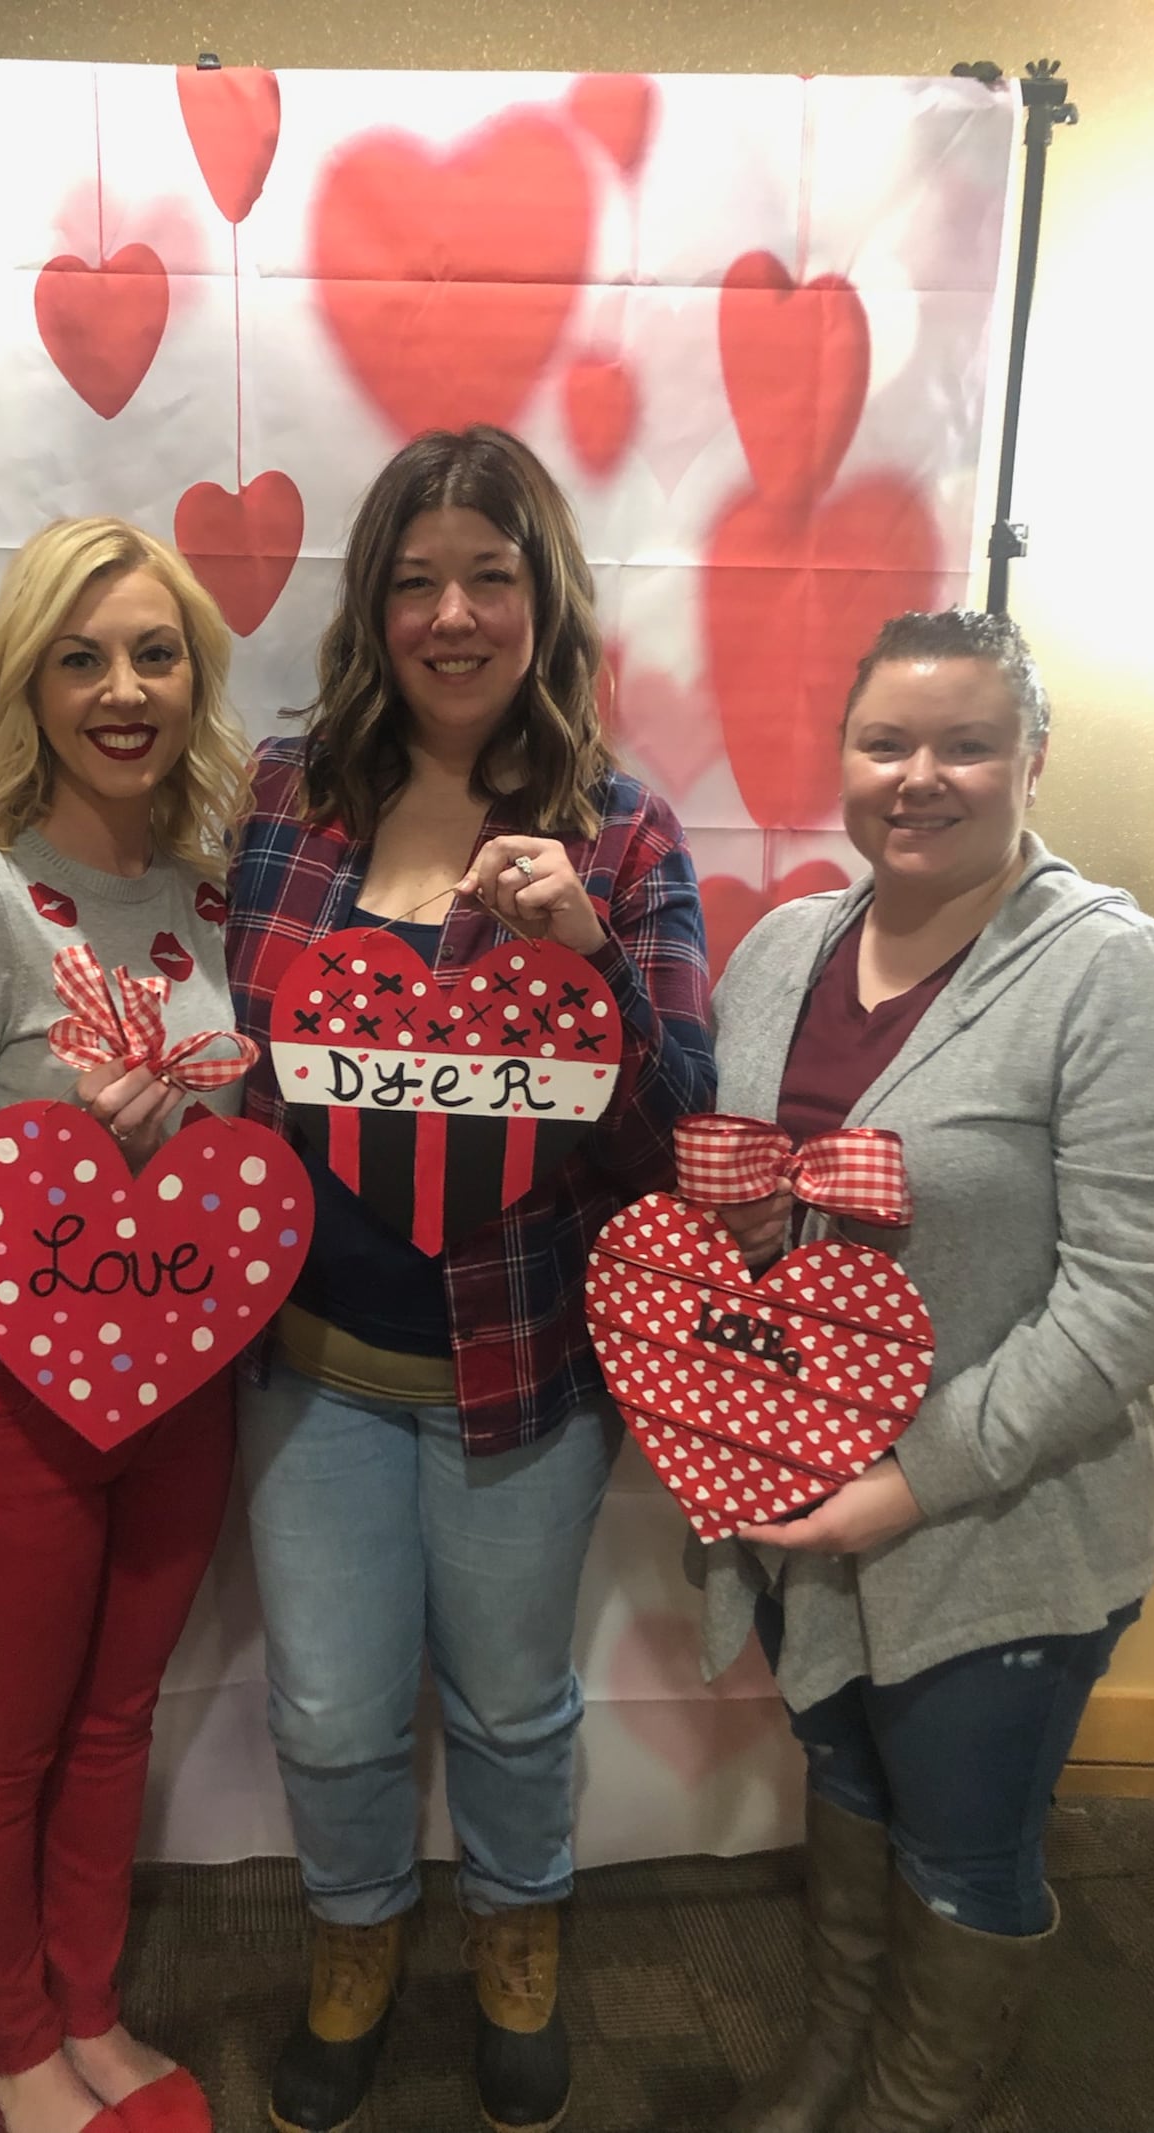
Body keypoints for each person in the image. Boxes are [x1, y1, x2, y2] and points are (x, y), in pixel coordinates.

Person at [225, 425, 715, 2133]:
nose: (452, 611)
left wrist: (585, 946)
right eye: (417, 576)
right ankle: (354, 1940)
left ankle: (522, 1934)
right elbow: (235, 1048)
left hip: (522, 1379)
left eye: (489, 574)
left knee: (512, 1702)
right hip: (312, 1367)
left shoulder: (627, 831)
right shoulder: (290, 796)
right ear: (374, 603)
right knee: (327, 1705)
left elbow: (675, 1138)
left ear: (543, 596)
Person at [701, 610, 1154, 2133]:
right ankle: (836, 2059)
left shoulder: (1108, 977)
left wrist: (911, 1482)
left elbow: (1130, 1298)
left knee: (963, 1851)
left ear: (1033, 758)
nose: (922, 775)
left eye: (966, 742)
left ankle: (915, 2106)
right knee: (851, 1794)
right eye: (887, 740)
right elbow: (770, 1208)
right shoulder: (784, 949)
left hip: (996, 1529)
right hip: (806, 1509)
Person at [0, 519, 250, 2133]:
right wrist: (58, 1151)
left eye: (155, 653)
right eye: (82, 656)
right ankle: (3, 2041)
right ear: (27, 676)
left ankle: (85, 2005)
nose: (123, 688)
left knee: (111, 1717)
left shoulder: (201, 895)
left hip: (178, 1380)